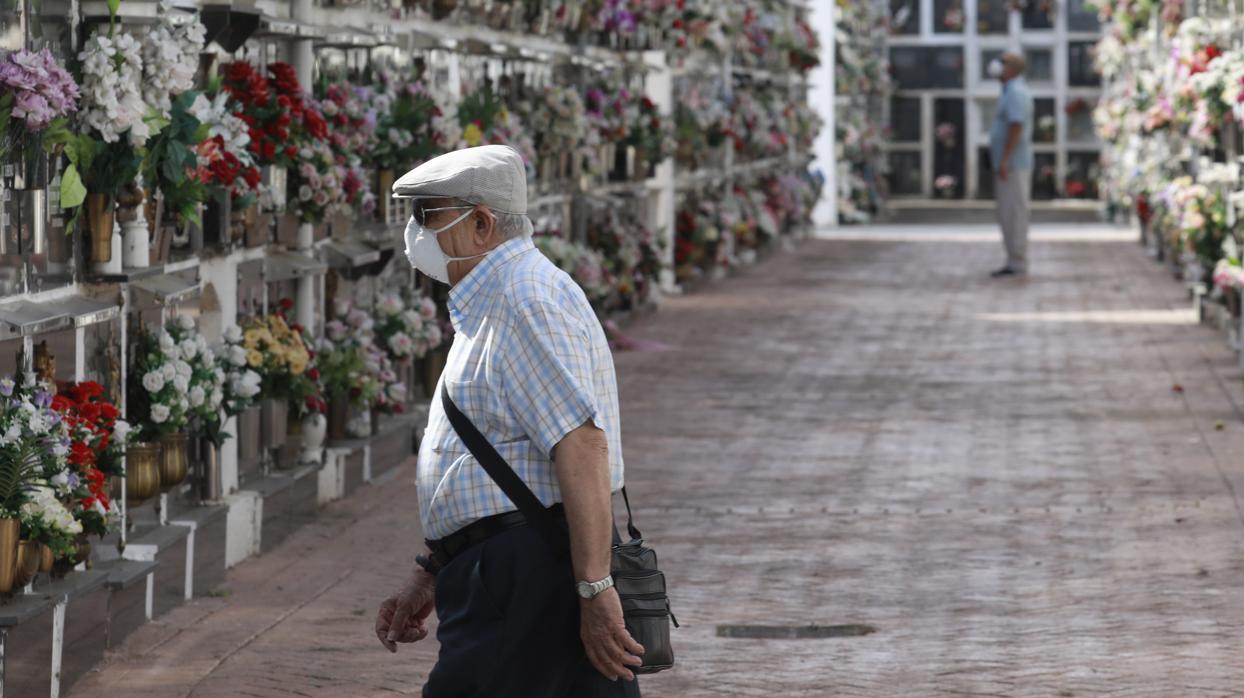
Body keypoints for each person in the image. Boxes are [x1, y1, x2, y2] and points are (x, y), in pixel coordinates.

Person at [373, 144, 643, 698]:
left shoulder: (524, 298)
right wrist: (433, 568)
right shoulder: (493, 297)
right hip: (504, 568)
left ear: (480, 223)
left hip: (525, 575)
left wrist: (594, 588)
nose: (413, 233)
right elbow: (492, 448)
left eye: (426, 215)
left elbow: (582, 445)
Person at [988, 52, 1034, 278]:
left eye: (1002, 62)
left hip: (1014, 164)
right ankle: (1013, 259)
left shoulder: (1015, 91)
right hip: (1009, 163)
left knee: (1014, 212)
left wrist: (1005, 159)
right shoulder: (1009, 90)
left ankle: (1017, 261)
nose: (997, 65)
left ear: (1013, 69)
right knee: (1007, 212)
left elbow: (1016, 126)